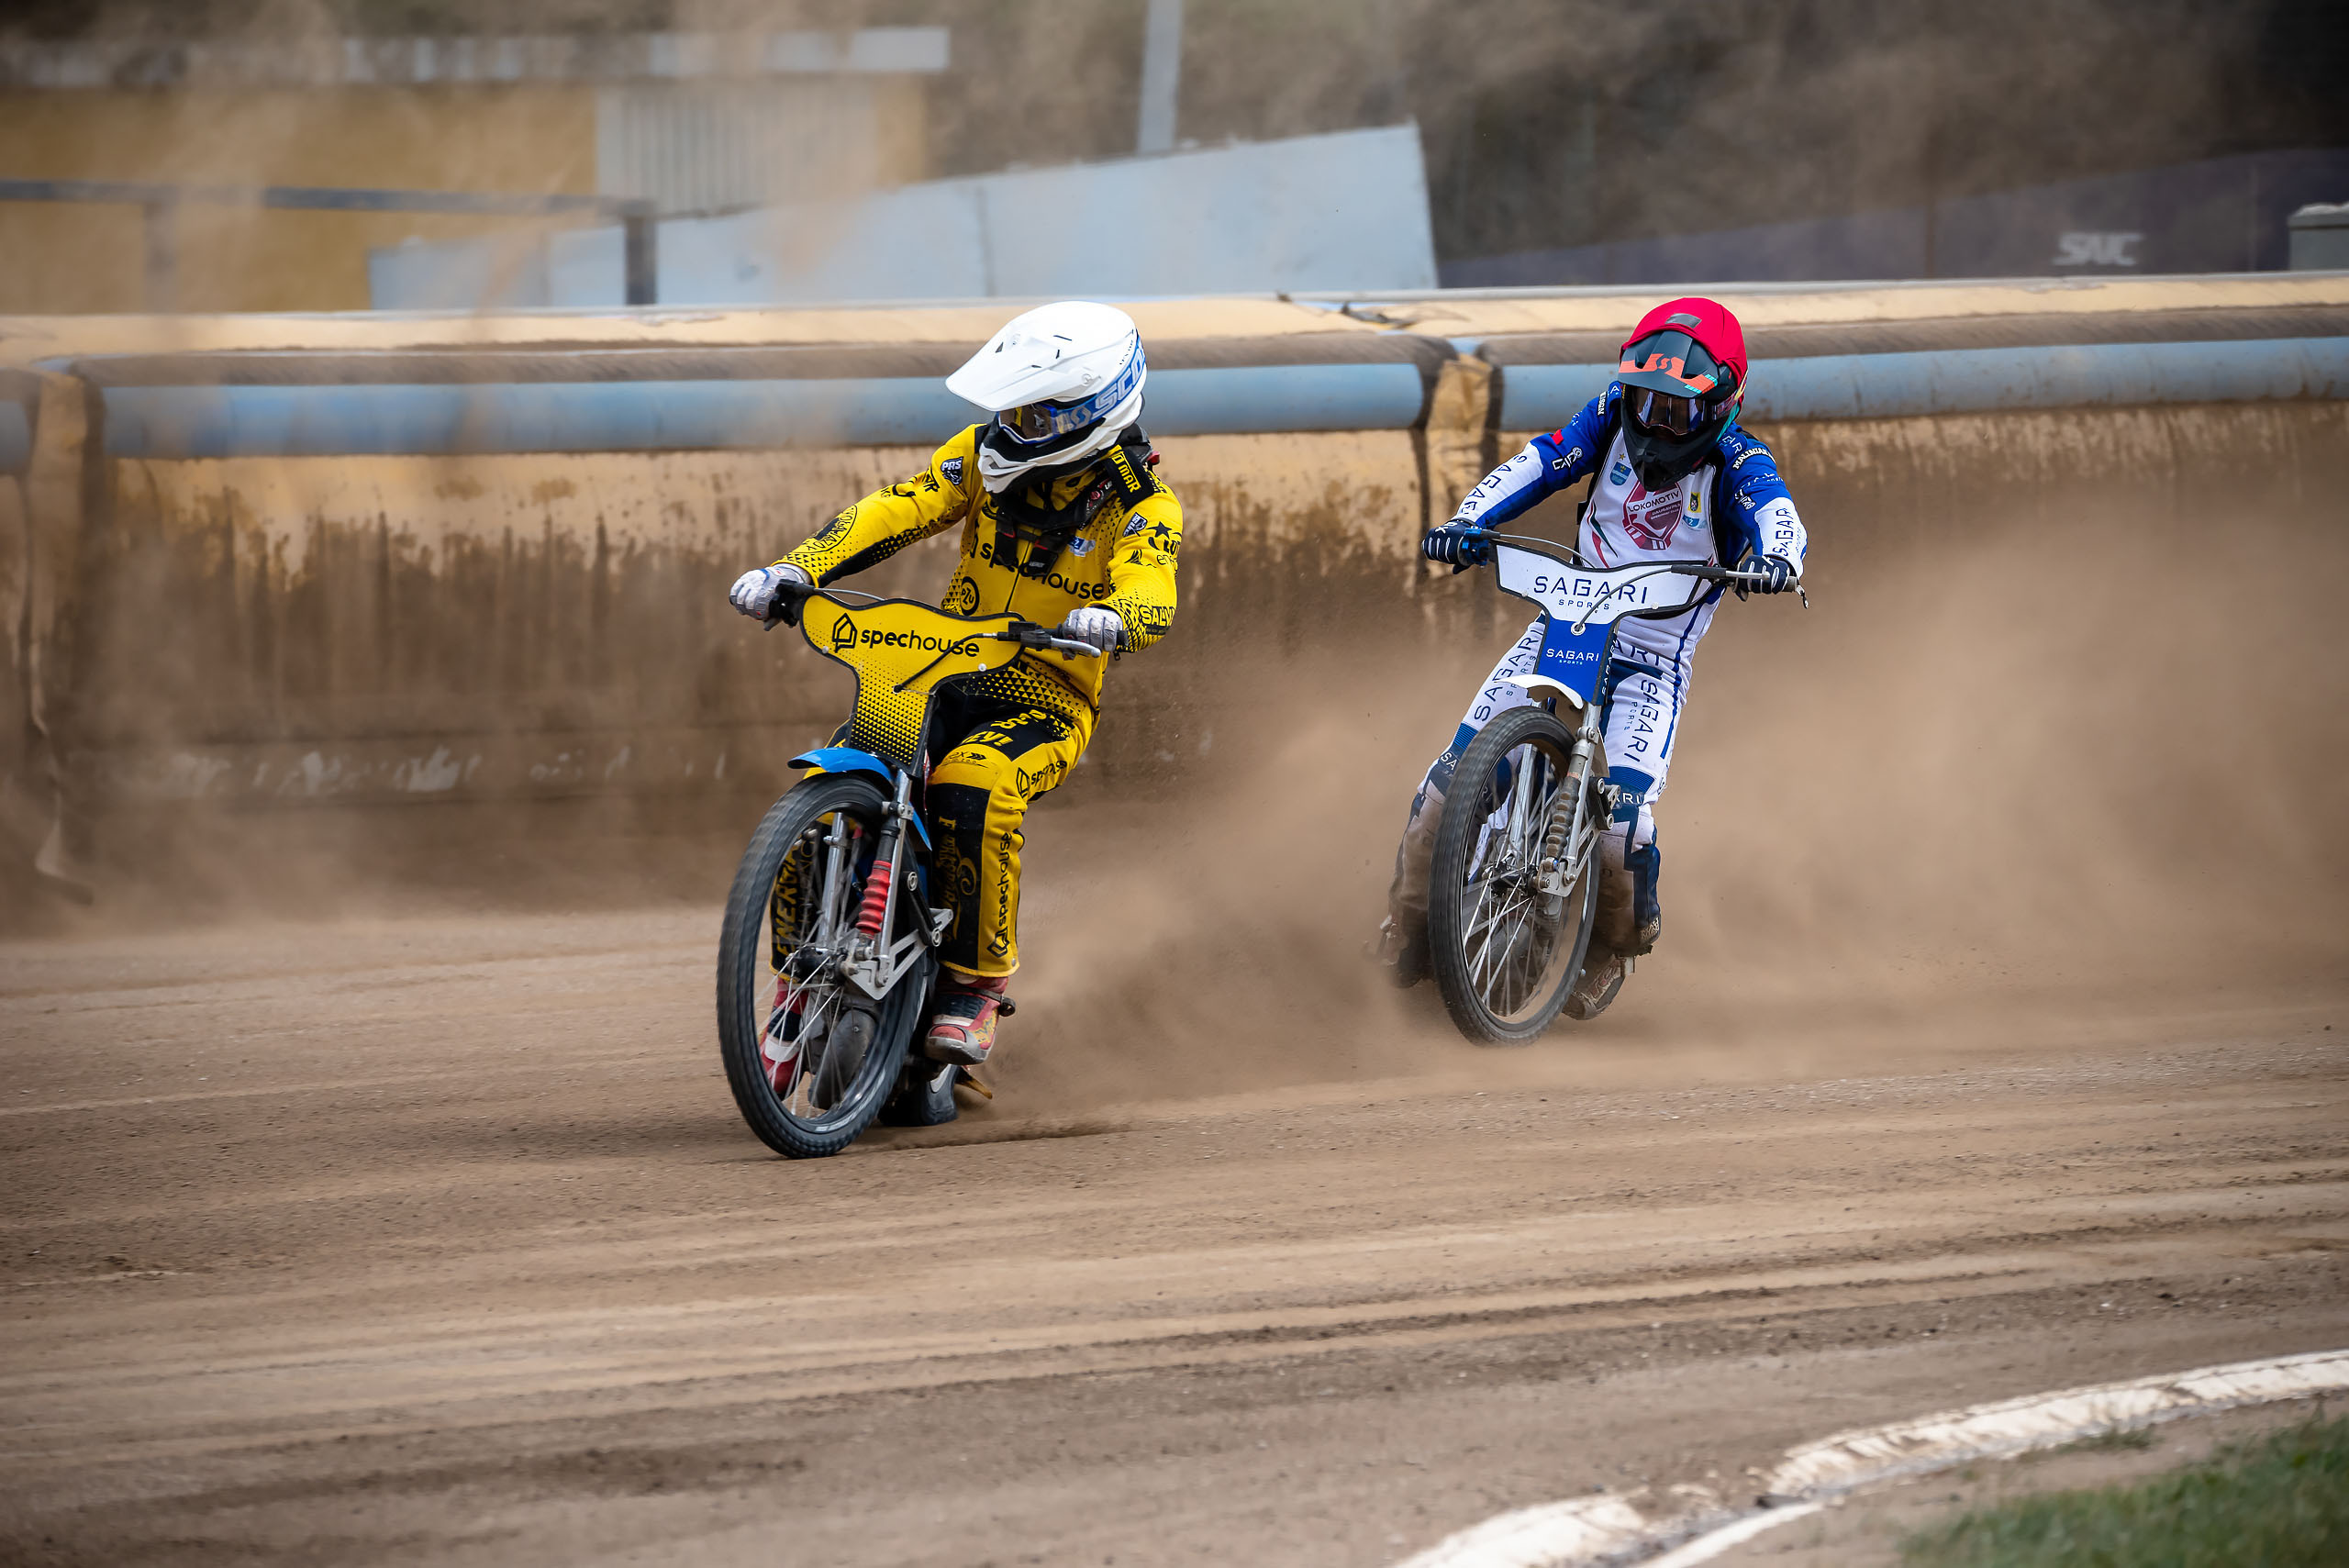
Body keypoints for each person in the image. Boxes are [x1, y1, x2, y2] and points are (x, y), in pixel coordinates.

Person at [728, 301, 1181, 1075]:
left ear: (1093, 413)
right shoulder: (978, 455)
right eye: (1011, 408)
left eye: (1036, 415)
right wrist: (796, 568)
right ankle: (798, 976)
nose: (1014, 426)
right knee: (827, 777)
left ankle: (975, 985)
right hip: (942, 671)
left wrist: (1113, 616)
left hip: (1045, 697)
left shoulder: (1140, 503)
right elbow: (901, 507)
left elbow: (1154, 588)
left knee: (974, 784)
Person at [1374, 296, 1807, 1019]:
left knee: (1623, 828)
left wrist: (1778, 561)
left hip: (1650, 665)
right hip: (1563, 629)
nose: (1653, 423)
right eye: (1644, 401)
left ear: (1724, 401)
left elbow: (1779, 517)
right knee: (1447, 787)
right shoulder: (1609, 414)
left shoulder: (1739, 461)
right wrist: (1466, 521)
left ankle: (1611, 947)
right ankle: (1409, 921)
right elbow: (1541, 462)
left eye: (1676, 412)